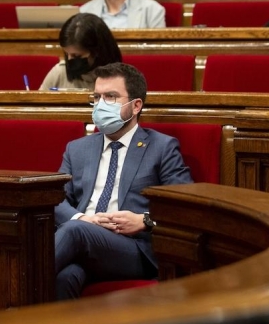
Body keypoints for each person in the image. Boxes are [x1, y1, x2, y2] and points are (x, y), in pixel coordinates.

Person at [54, 62, 193, 299]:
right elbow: (55, 199)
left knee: (77, 232)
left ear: (136, 105)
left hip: (134, 249)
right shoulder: (77, 149)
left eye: (111, 97)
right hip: (85, 242)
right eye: (96, 97)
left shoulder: (162, 147)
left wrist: (145, 220)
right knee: (65, 277)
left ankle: (8, 288)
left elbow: (186, 207)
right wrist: (83, 218)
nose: (100, 105)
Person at [39, 13, 122, 91]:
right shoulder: (59, 73)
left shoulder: (121, 78)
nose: (69, 59)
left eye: (76, 56)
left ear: (96, 51)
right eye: (66, 53)